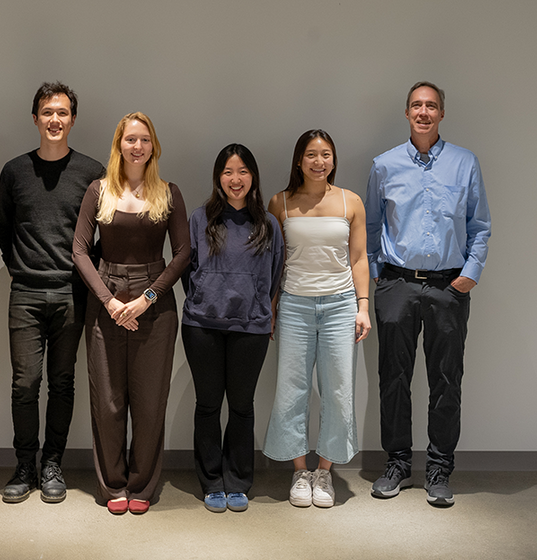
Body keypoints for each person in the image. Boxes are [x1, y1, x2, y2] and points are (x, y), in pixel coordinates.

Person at [366, 82, 490, 507]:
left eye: (431, 106)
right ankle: (397, 463)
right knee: (393, 378)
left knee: (446, 381)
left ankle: (439, 468)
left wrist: (470, 273)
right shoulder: (383, 166)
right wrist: (379, 278)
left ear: (441, 114)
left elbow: (480, 225)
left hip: (447, 288)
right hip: (397, 284)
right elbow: (369, 226)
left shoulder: (464, 163)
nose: (424, 112)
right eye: (417, 105)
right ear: (406, 113)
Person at [73, 111, 190, 515]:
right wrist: (109, 300)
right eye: (129, 139)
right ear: (118, 145)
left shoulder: (168, 192)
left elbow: (182, 254)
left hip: (154, 305)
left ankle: (142, 484)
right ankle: (114, 485)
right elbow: (79, 251)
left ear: (153, 146)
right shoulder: (98, 190)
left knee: (149, 399)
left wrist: (147, 299)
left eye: (144, 140)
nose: (136, 146)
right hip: (105, 299)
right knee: (107, 400)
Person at [0, 82, 104, 503]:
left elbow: (99, 236)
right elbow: (4, 230)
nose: (54, 120)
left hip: (72, 293)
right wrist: (19, 268)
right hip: (24, 292)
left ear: (72, 119)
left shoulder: (92, 171)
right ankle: (25, 464)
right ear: (35, 119)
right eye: (47, 112)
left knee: (61, 382)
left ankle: (52, 462)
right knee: (24, 384)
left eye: (62, 113)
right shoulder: (14, 171)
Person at [262, 129, 371, 509]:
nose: (319, 161)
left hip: (341, 305)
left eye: (326, 154)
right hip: (294, 305)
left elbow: (359, 258)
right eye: (311, 154)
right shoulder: (281, 203)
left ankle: (324, 471)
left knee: (339, 391)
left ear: (334, 160)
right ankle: (299, 471)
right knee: (291, 391)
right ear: (299, 160)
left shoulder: (349, 202)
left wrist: (363, 306)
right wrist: (272, 308)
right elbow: (273, 262)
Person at [181, 144, 284, 513]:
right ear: (218, 177)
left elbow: (275, 275)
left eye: (242, 171)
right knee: (208, 405)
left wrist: (259, 307)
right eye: (227, 172)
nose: (235, 179)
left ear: (252, 176)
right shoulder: (199, 219)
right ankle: (211, 481)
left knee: (242, 406)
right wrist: (204, 299)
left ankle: (238, 479)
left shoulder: (268, 224)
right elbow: (187, 270)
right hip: (202, 325)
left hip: (251, 327)